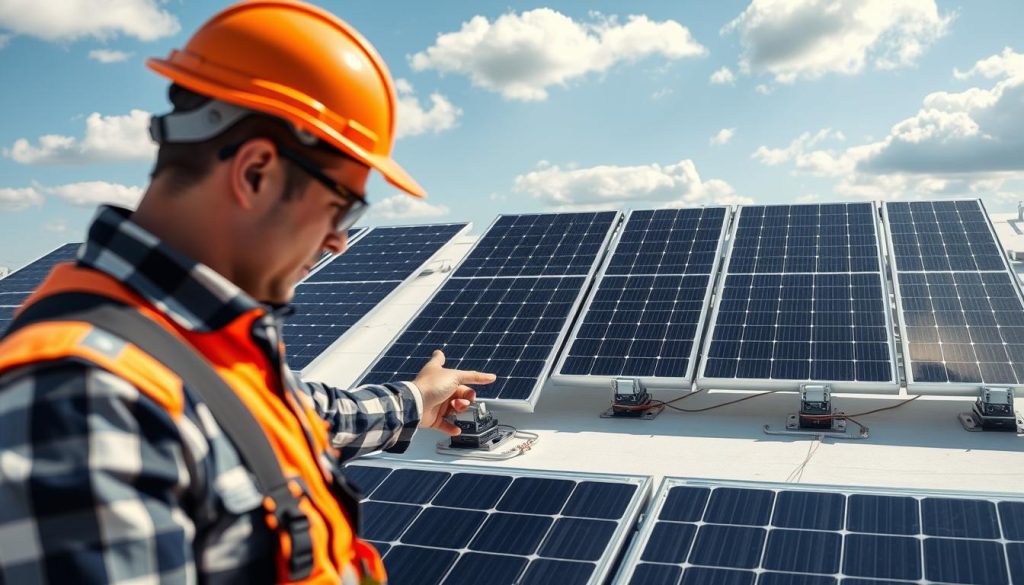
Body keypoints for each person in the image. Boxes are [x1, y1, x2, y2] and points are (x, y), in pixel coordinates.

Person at [0, 1, 495, 584]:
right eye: (341, 205)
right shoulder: (82, 402)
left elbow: (292, 417)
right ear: (256, 170)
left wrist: (417, 399)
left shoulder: (191, 342)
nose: (339, 241)